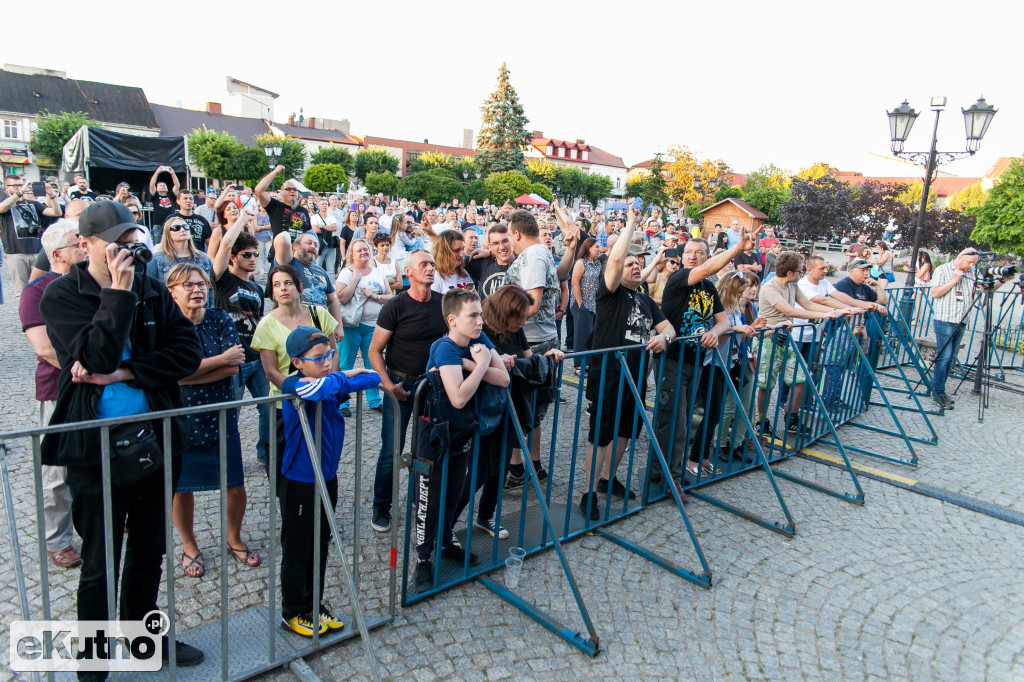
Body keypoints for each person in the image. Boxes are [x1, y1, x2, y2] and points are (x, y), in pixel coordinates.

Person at [38, 201, 205, 670]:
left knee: (149, 550)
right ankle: (92, 662)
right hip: (96, 450)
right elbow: (91, 357)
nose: (128, 253)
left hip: (154, 440)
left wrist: (124, 373)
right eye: (117, 244)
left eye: (132, 243)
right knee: (99, 563)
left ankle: (143, 638)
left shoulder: (153, 289)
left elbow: (186, 354)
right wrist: (118, 294)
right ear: (86, 245)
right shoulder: (61, 296)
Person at [278, 326, 380, 635]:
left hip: (327, 476)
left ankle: (313, 605)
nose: (326, 361)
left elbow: (372, 378)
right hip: (299, 479)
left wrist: (341, 374)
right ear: (297, 362)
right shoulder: (292, 384)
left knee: (320, 542)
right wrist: (340, 378)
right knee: (298, 546)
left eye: (330, 355)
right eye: (319, 358)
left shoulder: (326, 382)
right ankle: (293, 611)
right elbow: (314, 391)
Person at [578, 209, 674, 520]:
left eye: (639, 265)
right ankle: (589, 493)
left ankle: (608, 480)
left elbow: (668, 328)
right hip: (608, 374)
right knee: (601, 434)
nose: (636, 267)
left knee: (624, 433)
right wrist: (632, 223)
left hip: (636, 377)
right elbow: (616, 260)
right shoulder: (611, 294)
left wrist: (664, 339)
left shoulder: (645, 300)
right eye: (631, 264)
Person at [412, 289, 510, 590]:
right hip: (433, 436)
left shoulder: (478, 341)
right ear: (452, 320)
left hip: (462, 432)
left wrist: (471, 366)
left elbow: (504, 378)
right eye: (473, 316)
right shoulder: (444, 348)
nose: (480, 321)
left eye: (480, 314)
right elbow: (457, 396)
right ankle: (423, 560)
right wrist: (480, 366)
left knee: (454, 493)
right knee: (427, 498)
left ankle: (445, 542)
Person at [165, 264, 258, 577]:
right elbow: (170, 375)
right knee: (182, 487)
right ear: (172, 291)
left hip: (220, 414)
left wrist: (188, 371)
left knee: (235, 485)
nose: (197, 290)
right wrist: (217, 361)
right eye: (188, 285)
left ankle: (234, 538)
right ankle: (189, 544)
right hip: (182, 419)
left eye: (201, 284)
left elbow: (235, 367)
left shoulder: (218, 318)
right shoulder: (168, 324)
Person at [655, 229, 750, 491]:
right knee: (674, 420)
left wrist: (714, 332)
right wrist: (737, 248)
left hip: (695, 361)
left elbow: (722, 322)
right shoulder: (679, 278)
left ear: (706, 255)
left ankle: (662, 470)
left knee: (680, 418)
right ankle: (670, 476)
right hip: (671, 358)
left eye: (699, 253)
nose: (692, 257)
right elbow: (708, 269)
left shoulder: (708, 288)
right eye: (688, 253)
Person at [19, 220, 85, 568]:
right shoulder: (36, 291)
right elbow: (45, 348)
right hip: (58, 388)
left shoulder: (91, 282)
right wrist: (91, 367)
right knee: (57, 470)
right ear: (57, 254)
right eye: (79, 243)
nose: (85, 247)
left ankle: (96, 523)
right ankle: (57, 540)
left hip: (96, 384)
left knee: (95, 458)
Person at [367, 250, 449, 533]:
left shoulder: (442, 304)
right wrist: (389, 386)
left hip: (431, 388)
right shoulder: (395, 306)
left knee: (425, 449)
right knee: (392, 450)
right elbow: (375, 351)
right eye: (423, 264)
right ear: (409, 273)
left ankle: (419, 499)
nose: (430, 268)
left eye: (432, 264)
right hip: (399, 386)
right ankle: (381, 506)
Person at [252, 263, 340, 464]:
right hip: (285, 405)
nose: (282, 288)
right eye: (276, 285)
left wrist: (331, 385)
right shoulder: (266, 325)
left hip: (320, 399)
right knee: (285, 461)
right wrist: (298, 388)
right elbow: (271, 372)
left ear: (300, 287)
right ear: (272, 292)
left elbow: (333, 355)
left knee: (321, 456)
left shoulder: (319, 314)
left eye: (287, 283)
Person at [755, 251, 847, 435]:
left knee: (801, 377)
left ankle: (791, 417)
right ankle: (761, 420)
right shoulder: (770, 288)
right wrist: (825, 314)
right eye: (799, 271)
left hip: (785, 339)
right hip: (768, 340)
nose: (801, 274)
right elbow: (790, 310)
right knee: (766, 384)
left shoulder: (792, 285)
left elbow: (808, 305)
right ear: (789, 273)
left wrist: (838, 310)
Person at [502, 209, 560, 490]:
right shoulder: (540, 252)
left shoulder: (535, 255)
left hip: (532, 342)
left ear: (516, 233)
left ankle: (519, 469)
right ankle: (531, 466)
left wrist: (497, 323)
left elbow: (532, 303)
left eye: (509, 237)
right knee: (530, 411)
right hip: (536, 339)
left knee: (522, 411)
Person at [211, 212, 270, 465]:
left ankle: (266, 453)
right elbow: (224, 244)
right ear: (234, 258)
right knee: (230, 414)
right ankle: (228, 460)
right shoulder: (222, 280)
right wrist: (241, 220)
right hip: (232, 359)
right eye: (246, 254)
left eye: (255, 254)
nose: (253, 259)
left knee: (268, 408)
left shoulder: (257, 288)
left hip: (256, 358)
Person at [925, 249, 998, 410]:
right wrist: (954, 280)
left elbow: (987, 289)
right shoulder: (943, 269)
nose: (971, 265)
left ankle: (936, 387)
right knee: (944, 357)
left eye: (974, 262)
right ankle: (938, 393)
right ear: (960, 258)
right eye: (969, 262)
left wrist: (1001, 281)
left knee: (950, 358)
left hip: (962, 320)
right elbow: (935, 293)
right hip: (945, 320)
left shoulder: (972, 273)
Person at [336, 238, 394, 415]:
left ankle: (374, 400)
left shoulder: (377, 272)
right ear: (351, 254)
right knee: (346, 363)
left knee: (373, 364)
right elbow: (341, 297)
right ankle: (342, 402)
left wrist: (374, 297)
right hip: (351, 325)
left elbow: (390, 296)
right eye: (359, 250)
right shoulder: (347, 272)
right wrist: (355, 277)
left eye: (366, 250)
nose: (363, 253)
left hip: (374, 326)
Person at [1, 175, 62, 295]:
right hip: (15, 253)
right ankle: (24, 314)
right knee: (21, 290)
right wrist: (20, 192)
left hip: (36, 251)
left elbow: (56, 212)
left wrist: (52, 195)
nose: (19, 187)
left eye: (21, 184)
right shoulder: (4, 203)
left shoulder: (33, 204)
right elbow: (2, 208)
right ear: (7, 187)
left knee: (41, 286)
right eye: (16, 185)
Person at [273, 231, 343, 325]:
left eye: (316, 245)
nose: (313, 246)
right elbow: (281, 238)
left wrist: (338, 325)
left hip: (320, 325)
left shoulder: (321, 271)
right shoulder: (289, 264)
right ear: (295, 246)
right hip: (297, 325)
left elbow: (332, 301)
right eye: (309, 243)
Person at [148, 214, 214, 285]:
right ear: (168, 233)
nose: (183, 230)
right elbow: (149, 287)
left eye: (185, 227)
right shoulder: (157, 259)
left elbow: (210, 288)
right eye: (176, 228)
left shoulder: (204, 258)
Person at [570, 237, 601, 371]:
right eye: (596, 247)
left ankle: (588, 363)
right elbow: (575, 282)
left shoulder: (597, 263)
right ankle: (579, 365)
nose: (599, 249)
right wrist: (580, 303)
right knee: (581, 335)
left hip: (594, 304)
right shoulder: (581, 263)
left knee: (590, 335)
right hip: (582, 304)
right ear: (588, 248)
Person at [256, 167, 311, 241]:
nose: (292, 191)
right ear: (281, 193)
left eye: (295, 189)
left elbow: (306, 231)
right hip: (280, 251)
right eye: (288, 189)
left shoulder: (303, 210)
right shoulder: (275, 206)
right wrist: (275, 172)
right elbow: (259, 190)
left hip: (298, 251)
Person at [466, 222, 515, 298]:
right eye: (495, 243)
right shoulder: (483, 264)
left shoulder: (523, 264)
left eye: (505, 241)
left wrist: (490, 253)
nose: (501, 247)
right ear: (489, 246)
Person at [430, 229, 474, 293]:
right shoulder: (434, 277)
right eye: (456, 251)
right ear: (443, 253)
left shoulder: (463, 273)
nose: (461, 255)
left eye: (462, 249)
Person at [148, 165, 181, 233]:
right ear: (157, 188)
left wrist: (173, 173)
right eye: (160, 185)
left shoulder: (171, 196)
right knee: (158, 243)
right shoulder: (155, 196)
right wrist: (157, 173)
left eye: (164, 185)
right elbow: (151, 185)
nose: (163, 186)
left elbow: (177, 185)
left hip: (171, 223)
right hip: (158, 225)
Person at [311, 198, 339, 274]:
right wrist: (329, 228)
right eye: (322, 204)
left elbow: (335, 228)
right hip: (320, 243)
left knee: (331, 268)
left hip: (330, 243)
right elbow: (315, 230)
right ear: (318, 206)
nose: (324, 206)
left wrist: (322, 227)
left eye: (326, 204)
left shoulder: (331, 217)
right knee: (318, 265)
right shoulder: (315, 217)